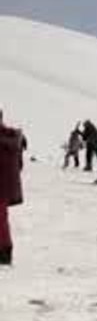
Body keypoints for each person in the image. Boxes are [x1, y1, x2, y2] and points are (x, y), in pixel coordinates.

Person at [0, 109, 24, 266]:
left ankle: (4, 254)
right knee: (2, 220)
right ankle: (5, 252)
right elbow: (19, 165)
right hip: (7, 187)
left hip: (2, 186)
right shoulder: (12, 137)